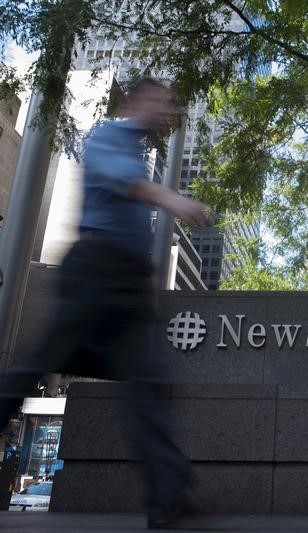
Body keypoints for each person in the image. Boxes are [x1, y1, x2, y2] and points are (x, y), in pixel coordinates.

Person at [0, 77, 208, 529]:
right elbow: (125, 184)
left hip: (128, 283)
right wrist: (173, 198)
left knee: (148, 383)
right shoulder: (108, 135)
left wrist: (149, 282)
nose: (165, 111)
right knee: (33, 366)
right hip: (94, 270)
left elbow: (135, 215)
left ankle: (169, 497)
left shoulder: (137, 149)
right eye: (160, 101)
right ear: (136, 100)